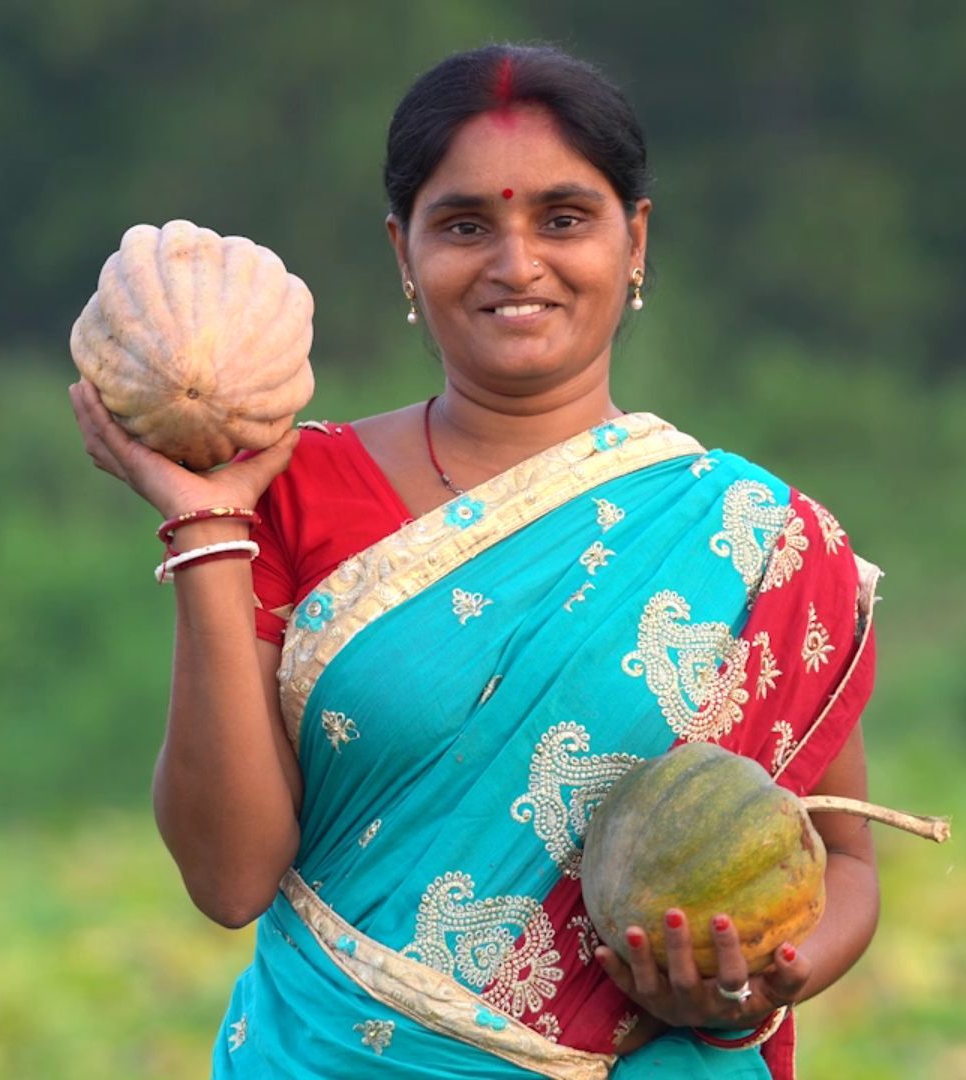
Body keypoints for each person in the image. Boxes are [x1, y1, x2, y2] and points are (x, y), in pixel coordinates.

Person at [69, 43, 885, 1080]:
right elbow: (230, 881)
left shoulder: (752, 539)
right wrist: (201, 526)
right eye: (465, 225)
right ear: (403, 252)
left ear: (634, 241)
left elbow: (845, 857)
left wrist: (765, 978)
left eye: (562, 217)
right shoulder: (287, 493)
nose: (516, 263)